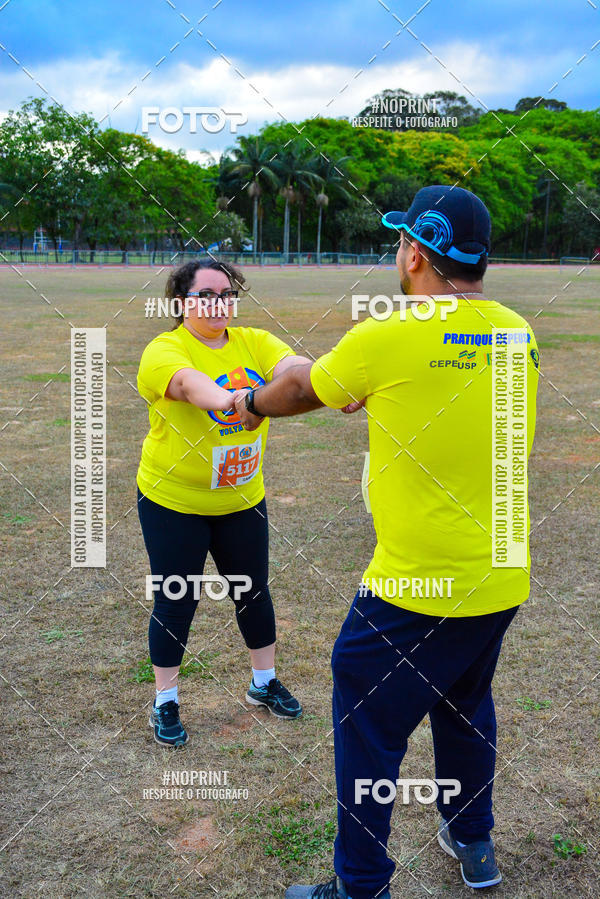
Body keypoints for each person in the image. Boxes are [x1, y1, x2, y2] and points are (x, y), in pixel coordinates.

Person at [234, 186, 540, 898]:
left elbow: (310, 389)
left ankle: (361, 881)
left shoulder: (390, 332)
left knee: (367, 716)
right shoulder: (516, 331)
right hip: (497, 576)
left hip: (416, 586)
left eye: (401, 241)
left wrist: (254, 400)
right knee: (465, 702)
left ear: (415, 252)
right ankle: (472, 837)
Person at [136, 258, 311, 747]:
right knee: (176, 599)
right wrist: (246, 402)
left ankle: (263, 683)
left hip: (241, 499)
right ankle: (165, 702)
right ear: (182, 301)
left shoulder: (254, 341)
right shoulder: (163, 349)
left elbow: (293, 367)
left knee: (253, 591)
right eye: (207, 293)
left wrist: (323, 381)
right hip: (174, 501)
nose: (219, 302)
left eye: (228, 293)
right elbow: (194, 387)